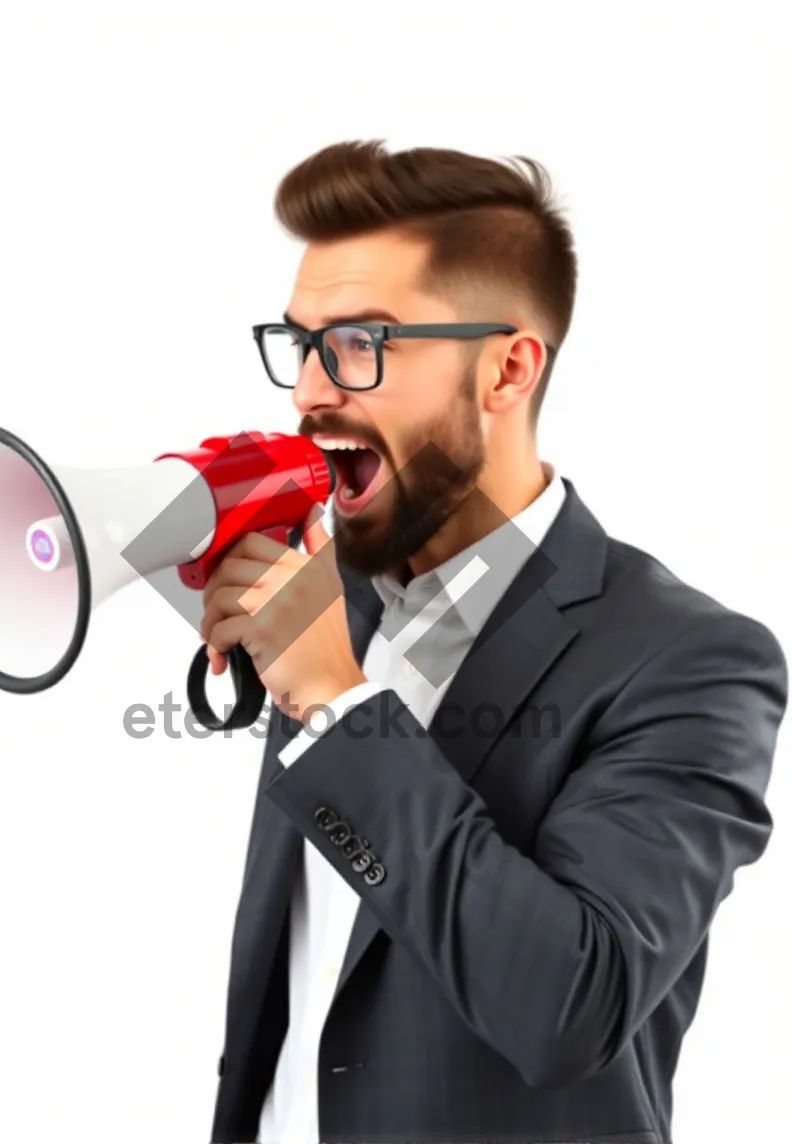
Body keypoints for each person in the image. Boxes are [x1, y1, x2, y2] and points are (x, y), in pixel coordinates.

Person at [199, 139, 788, 1144]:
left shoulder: (693, 661)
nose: (307, 392)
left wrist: (339, 706)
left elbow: (572, 1004)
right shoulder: (334, 598)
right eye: (299, 343)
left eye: (360, 343)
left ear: (508, 368)